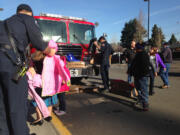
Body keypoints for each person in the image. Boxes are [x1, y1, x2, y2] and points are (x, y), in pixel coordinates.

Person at [0, 4, 56, 135]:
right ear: (28, 13)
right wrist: (49, 50)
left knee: (1, 105)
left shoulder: (3, 23)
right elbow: (38, 41)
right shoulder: (27, 19)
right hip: (11, 66)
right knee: (17, 105)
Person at [129, 43, 150, 111]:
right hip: (137, 75)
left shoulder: (143, 54)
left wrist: (133, 71)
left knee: (143, 89)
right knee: (138, 88)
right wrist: (131, 71)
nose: (135, 49)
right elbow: (133, 64)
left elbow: (142, 66)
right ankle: (141, 100)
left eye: (136, 48)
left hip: (142, 75)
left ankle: (145, 104)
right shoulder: (138, 55)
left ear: (138, 49)